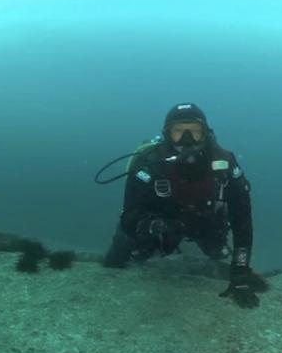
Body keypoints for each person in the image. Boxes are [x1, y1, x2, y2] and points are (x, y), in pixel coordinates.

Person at [102, 103, 260, 309]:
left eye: (195, 131)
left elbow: (242, 219)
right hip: (162, 224)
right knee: (117, 260)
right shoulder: (148, 163)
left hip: (205, 223)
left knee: (218, 252)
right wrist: (155, 226)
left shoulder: (224, 163)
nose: (187, 139)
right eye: (179, 131)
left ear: (206, 133)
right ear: (167, 133)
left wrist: (240, 269)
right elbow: (129, 216)